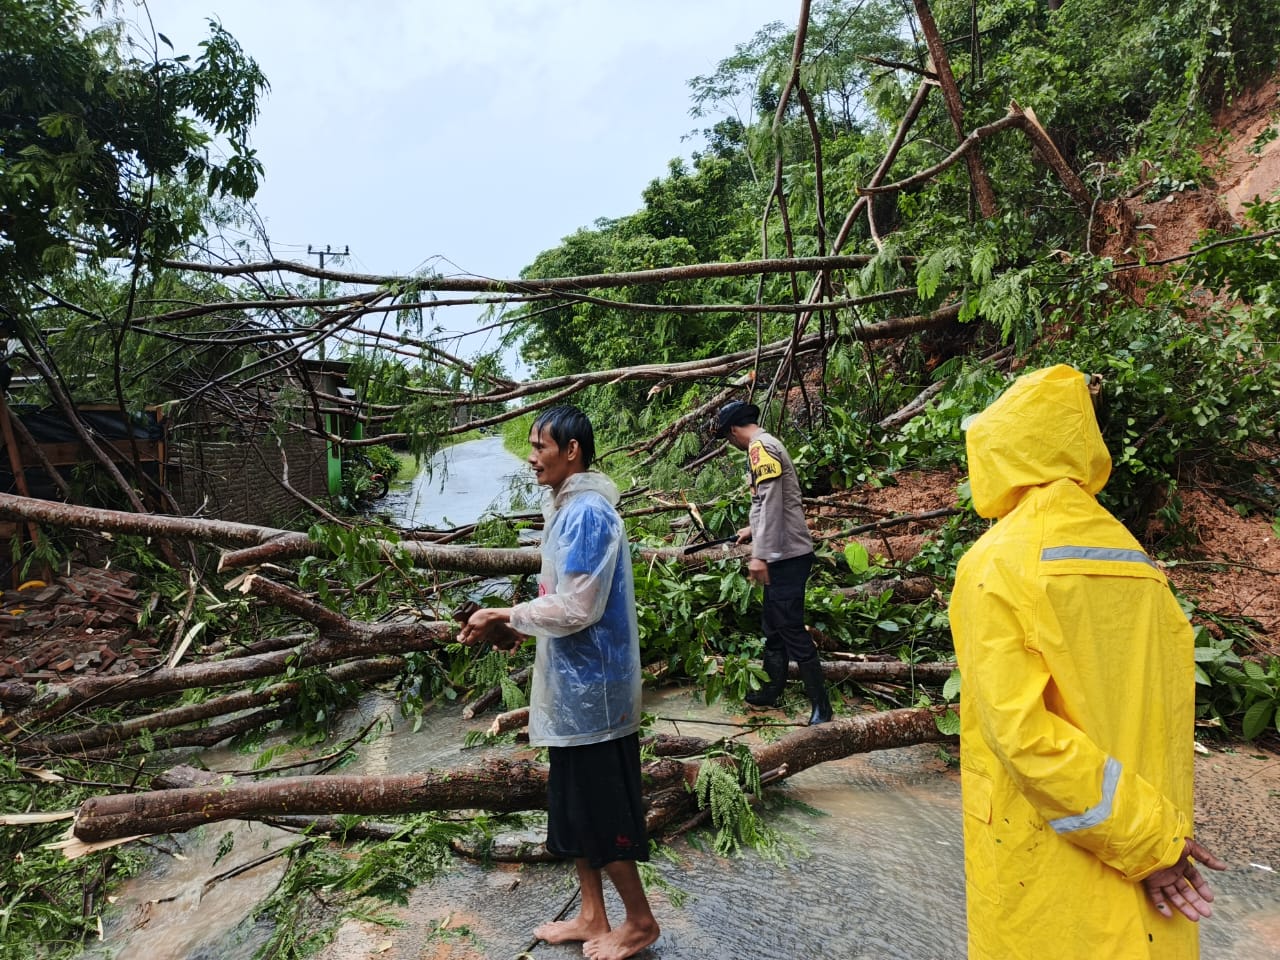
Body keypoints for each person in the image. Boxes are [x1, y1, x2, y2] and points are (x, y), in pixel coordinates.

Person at [948, 364, 1226, 959]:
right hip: (1153, 861)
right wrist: (1160, 844)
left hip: (1053, 857)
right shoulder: (1137, 561)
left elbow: (1025, 738)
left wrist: (1148, 841)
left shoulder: (995, 565)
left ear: (997, 449)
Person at [458, 405, 659, 960]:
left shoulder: (589, 513)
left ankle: (639, 923)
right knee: (572, 806)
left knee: (601, 807)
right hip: (575, 690)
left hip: (596, 691)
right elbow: (561, 599)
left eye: (541, 446)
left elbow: (581, 607)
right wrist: (520, 627)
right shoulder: (567, 507)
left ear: (572, 450)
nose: (531, 457)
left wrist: (506, 614)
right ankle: (593, 916)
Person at [715, 399, 832, 724]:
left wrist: (759, 555)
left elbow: (769, 503)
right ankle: (770, 691)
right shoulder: (767, 444)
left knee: (790, 627)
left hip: (786, 555)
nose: (730, 443)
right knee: (773, 626)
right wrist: (752, 529)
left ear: (734, 430)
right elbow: (776, 499)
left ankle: (822, 707)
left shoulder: (759, 447)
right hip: (784, 550)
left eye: (727, 437)